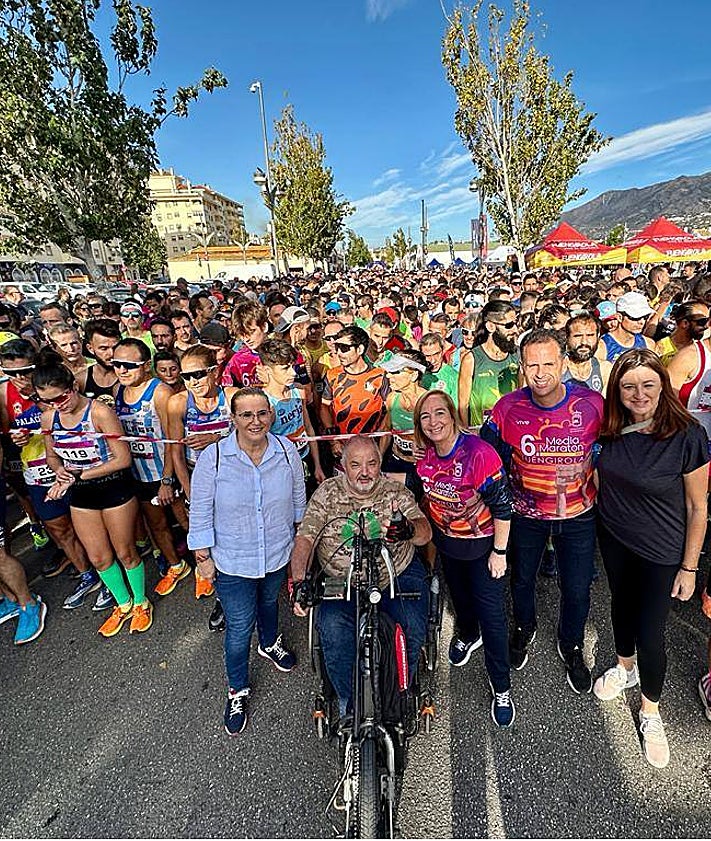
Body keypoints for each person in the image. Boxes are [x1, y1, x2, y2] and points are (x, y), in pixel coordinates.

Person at [593, 349, 708, 769]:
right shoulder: (610, 429)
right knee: (620, 606)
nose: (638, 394)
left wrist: (690, 567)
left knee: (651, 632)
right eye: (628, 386)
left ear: (664, 383)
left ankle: (650, 712)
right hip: (615, 538)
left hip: (662, 550)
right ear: (616, 391)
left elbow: (698, 508)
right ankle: (624, 668)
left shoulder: (688, 434)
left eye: (647, 384)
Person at [481, 329, 604, 693]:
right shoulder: (508, 407)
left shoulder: (593, 403)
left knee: (578, 588)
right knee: (521, 580)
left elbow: (615, 450)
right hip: (526, 514)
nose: (540, 372)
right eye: (532, 364)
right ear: (522, 366)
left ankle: (573, 644)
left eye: (549, 363)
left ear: (563, 363)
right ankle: (524, 627)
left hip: (579, 515)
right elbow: (489, 458)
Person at [187, 388, 306, 736]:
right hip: (232, 559)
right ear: (233, 419)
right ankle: (237, 689)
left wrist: (301, 538)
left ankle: (269, 643)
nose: (255, 421)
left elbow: (299, 498)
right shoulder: (215, 458)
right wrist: (203, 557)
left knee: (270, 601)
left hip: (276, 551)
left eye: (262, 413)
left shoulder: (286, 452)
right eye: (246, 415)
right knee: (239, 627)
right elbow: (201, 510)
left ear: (271, 415)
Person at [290, 435, 432, 720]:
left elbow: (424, 531)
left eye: (371, 464)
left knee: (412, 626)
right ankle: (349, 702)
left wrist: (407, 530)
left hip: (396, 575)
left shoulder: (396, 492)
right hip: (342, 580)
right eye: (356, 465)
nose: (364, 472)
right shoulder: (327, 494)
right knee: (333, 630)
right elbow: (305, 539)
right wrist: (300, 582)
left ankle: (399, 694)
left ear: (380, 464)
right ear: (343, 466)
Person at [414, 391, 515, 727]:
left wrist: (500, 552)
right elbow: (414, 487)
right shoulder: (426, 457)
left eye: (440, 413)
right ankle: (468, 634)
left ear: (453, 415)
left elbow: (503, 505)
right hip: (448, 546)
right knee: (460, 603)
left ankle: (501, 687)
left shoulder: (479, 453)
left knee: (493, 618)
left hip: (483, 547)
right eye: (425, 417)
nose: (433, 422)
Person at [35, 362, 153, 637]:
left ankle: (140, 602)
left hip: (114, 489)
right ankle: (122, 603)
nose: (57, 405)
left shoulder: (99, 412)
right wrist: (60, 471)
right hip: (81, 493)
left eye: (61, 397)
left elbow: (123, 459)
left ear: (73, 387)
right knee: (99, 557)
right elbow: (52, 456)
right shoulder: (49, 419)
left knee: (125, 552)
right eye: (48, 401)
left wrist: (80, 475)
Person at [0, 340, 97, 610]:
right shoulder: (3, 395)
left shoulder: (55, 384)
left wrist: (40, 400)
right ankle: (87, 574)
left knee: (89, 528)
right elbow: (5, 437)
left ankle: (104, 570)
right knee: (58, 528)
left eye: (25, 371)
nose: (19, 378)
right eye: (10, 373)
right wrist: (13, 441)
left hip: (75, 467)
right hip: (36, 471)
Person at [113, 338, 189, 596]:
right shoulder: (118, 391)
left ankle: (207, 567)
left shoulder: (160, 392)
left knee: (188, 523)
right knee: (156, 525)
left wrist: (167, 480)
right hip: (137, 473)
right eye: (117, 364)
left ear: (146, 366)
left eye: (129, 365)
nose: (122, 370)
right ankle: (176, 566)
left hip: (166, 473)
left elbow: (172, 440)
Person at [168, 346, 238, 620]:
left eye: (199, 374)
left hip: (234, 475)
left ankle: (241, 590)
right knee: (210, 542)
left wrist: (214, 440)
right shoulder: (178, 403)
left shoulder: (232, 397)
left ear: (215, 371)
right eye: (187, 377)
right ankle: (223, 599)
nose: (193, 382)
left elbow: (253, 437)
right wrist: (189, 493)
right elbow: (175, 451)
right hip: (198, 476)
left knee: (233, 538)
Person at [256, 338, 324, 494]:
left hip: (304, 458)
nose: (293, 372)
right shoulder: (266, 405)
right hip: (280, 468)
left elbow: (308, 429)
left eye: (292, 366)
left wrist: (317, 465)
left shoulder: (298, 391)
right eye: (285, 368)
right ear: (267, 370)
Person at [457, 301, 520, 427]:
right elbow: (463, 405)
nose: (515, 330)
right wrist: (467, 435)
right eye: (509, 325)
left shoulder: (517, 355)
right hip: (482, 433)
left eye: (515, 324)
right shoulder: (471, 359)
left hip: (510, 430)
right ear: (491, 326)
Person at [563, 313, 612, 395]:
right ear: (567, 338)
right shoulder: (558, 369)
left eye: (590, 335)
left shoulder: (605, 369)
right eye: (578, 336)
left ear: (598, 337)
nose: (584, 342)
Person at [600, 292, 655, 362]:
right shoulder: (603, 346)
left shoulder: (649, 344)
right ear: (619, 317)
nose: (642, 322)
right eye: (636, 317)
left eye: (645, 317)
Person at [77, 318, 120, 406]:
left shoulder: (132, 375)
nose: (111, 353)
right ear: (90, 348)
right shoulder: (80, 380)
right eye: (103, 348)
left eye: (115, 347)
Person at [655, 300, 710, 366]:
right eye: (702, 321)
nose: (707, 326)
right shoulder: (660, 347)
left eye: (708, 321)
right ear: (685, 323)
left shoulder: (699, 351)